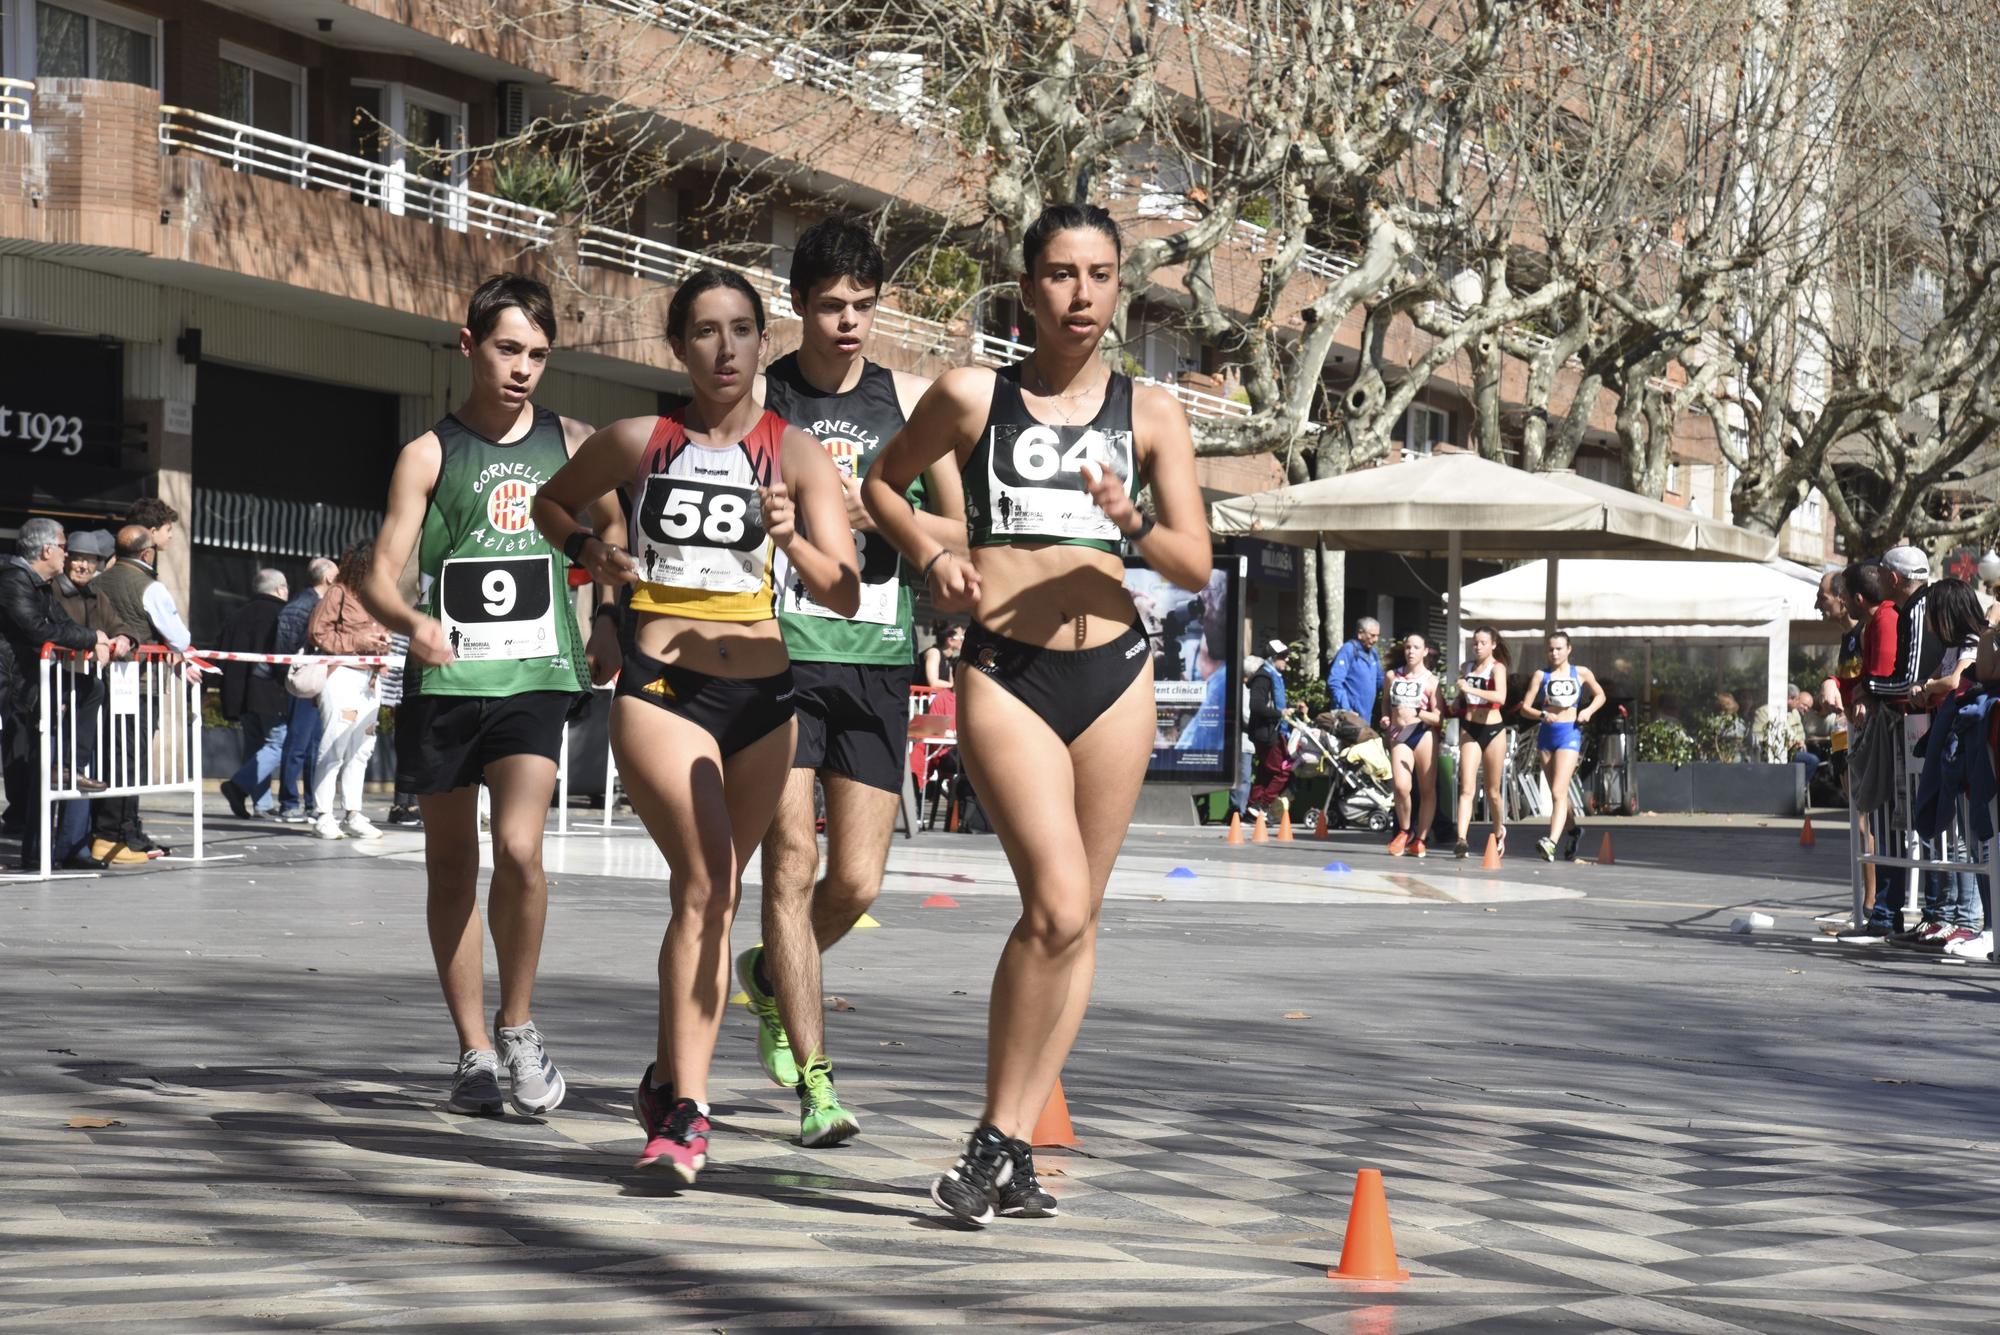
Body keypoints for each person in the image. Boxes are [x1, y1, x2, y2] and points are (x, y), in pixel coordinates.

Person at [861, 202, 1211, 1225]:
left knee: (1076, 917)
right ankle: (993, 1137)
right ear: (1026, 289)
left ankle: (1009, 1147)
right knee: (1055, 902)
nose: (1081, 294)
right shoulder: (973, 396)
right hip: (1005, 671)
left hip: (1114, 674)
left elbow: (1189, 565)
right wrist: (933, 553)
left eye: (1100, 275)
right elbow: (883, 485)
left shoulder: (1150, 415)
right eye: (1059, 274)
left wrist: (1130, 520)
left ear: (1119, 288)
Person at [533, 266, 859, 1183]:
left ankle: (671, 1074)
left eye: (743, 330)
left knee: (717, 894)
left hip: (765, 701)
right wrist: (592, 552)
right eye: (706, 331)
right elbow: (550, 503)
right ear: (679, 346)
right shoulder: (638, 440)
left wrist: (794, 538)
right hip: (661, 687)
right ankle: (687, 1114)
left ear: (764, 342)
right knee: (708, 885)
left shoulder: (796, 453)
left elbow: (845, 588)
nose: (726, 348)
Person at [357, 274, 625, 1117]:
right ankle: (472, 1048)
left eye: (539, 355)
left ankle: (518, 1024)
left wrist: (608, 613)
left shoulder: (572, 439)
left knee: (519, 849)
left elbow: (612, 526)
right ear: (468, 344)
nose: (523, 369)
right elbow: (377, 575)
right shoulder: (428, 453)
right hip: (447, 679)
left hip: (537, 675)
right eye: (508, 349)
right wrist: (412, 621)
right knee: (451, 867)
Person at [734, 218, 968, 1149]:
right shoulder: (761, 398)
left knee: (858, 881)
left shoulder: (904, 407)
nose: (848, 322)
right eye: (831, 305)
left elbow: (954, 525)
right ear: (798, 305)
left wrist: (889, 521)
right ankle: (818, 1084)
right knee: (789, 864)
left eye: (864, 306)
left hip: (874, 657)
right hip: (778, 655)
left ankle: (766, 980)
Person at [0, 518, 118, 870]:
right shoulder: (13, 580)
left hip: (34, 681)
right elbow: (36, 629)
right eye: (64, 547)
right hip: (15, 684)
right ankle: (60, 772)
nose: (67, 555)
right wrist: (90, 639)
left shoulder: (40, 584)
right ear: (47, 550)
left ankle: (65, 767)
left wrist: (94, 636)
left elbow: (60, 623)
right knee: (33, 766)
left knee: (90, 688)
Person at [87, 524, 192, 859]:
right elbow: (179, 638)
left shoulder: (97, 580)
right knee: (130, 759)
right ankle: (120, 834)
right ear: (147, 553)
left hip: (96, 680)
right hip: (137, 683)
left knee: (103, 756)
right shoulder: (150, 587)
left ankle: (108, 831)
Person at [307, 542, 391, 841]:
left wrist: (381, 641)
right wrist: (360, 641)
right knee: (335, 744)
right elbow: (318, 631)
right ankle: (322, 813)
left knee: (362, 748)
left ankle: (353, 812)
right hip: (342, 676)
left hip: (370, 679)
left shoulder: (377, 597)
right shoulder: (338, 593)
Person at [47, 529, 119, 868]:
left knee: (77, 770)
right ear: (66, 559)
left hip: (83, 691)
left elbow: (121, 628)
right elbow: (50, 630)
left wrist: (122, 640)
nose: (83, 565)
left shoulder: (97, 596)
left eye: (90, 560)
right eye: (78, 558)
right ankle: (41, 851)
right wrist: (94, 638)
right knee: (45, 770)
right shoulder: (50, 591)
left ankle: (73, 847)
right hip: (50, 688)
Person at [1520, 630, 1604, 862]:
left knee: (1558, 791)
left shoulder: (1581, 673)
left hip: (1570, 734)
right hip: (1547, 736)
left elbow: (1600, 695)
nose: (1555, 653)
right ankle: (1574, 831)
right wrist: (1541, 713)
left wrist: (1587, 711)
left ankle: (1551, 842)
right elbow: (1525, 707)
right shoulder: (1541, 675)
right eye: (1550, 649)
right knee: (1560, 794)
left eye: (1559, 648)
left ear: (1569, 649)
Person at [217, 569, 291, 820]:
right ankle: (238, 786)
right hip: (271, 692)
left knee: (255, 747)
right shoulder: (281, 614)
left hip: (242, 694)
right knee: (279, 744)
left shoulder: (237, 615)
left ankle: (262, 803)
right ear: (280, 589)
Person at [274, 557, 336, 822]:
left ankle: (311, 802)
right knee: (299, 743)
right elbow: (285, 645)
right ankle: (289, 802)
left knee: (314, 744)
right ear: (328, 579)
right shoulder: (303, 605)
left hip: (319, 679)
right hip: (305, 680)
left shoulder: (319, 604)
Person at [1379, 632, 1441, 857]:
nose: (1411, 652)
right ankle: (1405, 830)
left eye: (1416, 647)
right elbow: (1385, 703)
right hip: (1399, 735)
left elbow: (1438, 718)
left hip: (1423, 734)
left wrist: (1419, 713)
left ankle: (1421, 839)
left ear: (1425, 652)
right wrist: (1385, 717)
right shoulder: (1392, 677)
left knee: (1427, 789)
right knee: (1402, 787)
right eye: (1408, 647)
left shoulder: (1431, 681)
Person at [1453, 625, 1510, 860]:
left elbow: (1501, 697)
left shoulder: (1497, 669)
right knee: (1466, 787)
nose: (1477, 647)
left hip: (1493, 729)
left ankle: (1498, 832)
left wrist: (1470, 687)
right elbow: (1463, 696)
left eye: (1483, 643)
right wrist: (1457, 699)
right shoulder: (1466, 667)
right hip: (1470, 728)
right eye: (1475, 643)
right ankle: (1461, 839)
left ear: (1493, 645)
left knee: (1492, 791)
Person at [1244, 639, 1294, 817]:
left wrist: (1294, 708)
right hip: (1267, 732)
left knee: (1265, 772)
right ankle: (1262, 806)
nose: (1286, 659)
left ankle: (1252, 808)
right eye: (1283, 656)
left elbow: (1276, 703)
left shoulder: (1275, 676)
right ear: (1273, 658)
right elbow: (1256, 706)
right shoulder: (1264, 677)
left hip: (1275, 730)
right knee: (1282, 771)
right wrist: (1280, 714)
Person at [1326, 617, 1383, 717]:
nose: (1375, 640)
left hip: (1366, 715)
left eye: (1377, 636)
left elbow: (1380, 680)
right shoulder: (1348, 650)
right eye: (1372, 635)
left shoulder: (1373, 653)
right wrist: (1346, 709)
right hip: (1349, 715)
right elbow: (1335, 681)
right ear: (1360, 634)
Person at [923, 621, 963, 688]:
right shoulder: (934, 653)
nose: (963, 640)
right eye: (961, 638)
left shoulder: (948, 659)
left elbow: (951, 684)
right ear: (950, 640)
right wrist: (957, 687)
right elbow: (933, 683)